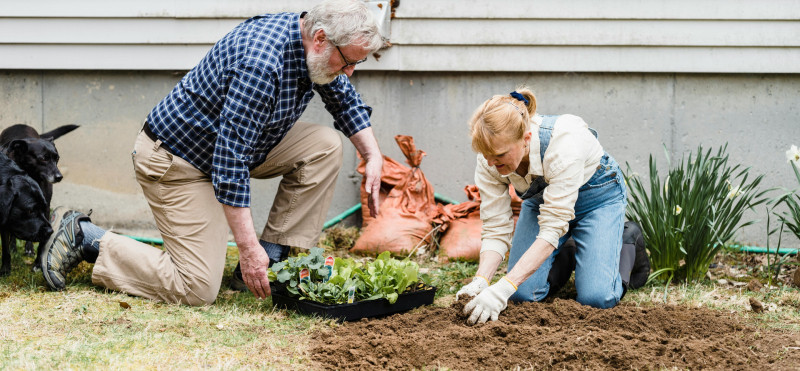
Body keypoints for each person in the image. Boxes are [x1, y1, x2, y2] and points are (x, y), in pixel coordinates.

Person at [39, 0, 385, 306]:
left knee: (324, 146)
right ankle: (86, 237)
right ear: (321, 38)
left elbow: (342, 96)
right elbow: (230, 163)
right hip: (177, 162)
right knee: (197, 287)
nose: (350, 72)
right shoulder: (262, 63)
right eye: (348, 62)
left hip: (238, 146)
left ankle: (273, 259)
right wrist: (247, 250)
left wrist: (373, 156)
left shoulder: (313, 42)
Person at [457, 87, 632, 324]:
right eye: (486, 155)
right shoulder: (489, 158)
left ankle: (629, 241)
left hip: (598, 199)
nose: (490, 162)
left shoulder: (564, 144)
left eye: (499, 155)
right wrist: (482, 280)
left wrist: (502, 288)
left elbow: (551, 229)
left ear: (526, 139)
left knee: (597, 298)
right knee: (520, 294)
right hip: (544, 204)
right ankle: (569, 249)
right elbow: (496, 226)